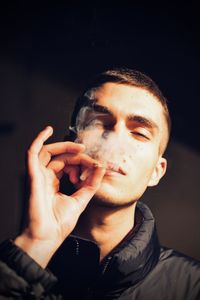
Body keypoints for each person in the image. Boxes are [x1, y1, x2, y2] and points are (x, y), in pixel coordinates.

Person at [0, 68, 199, 300]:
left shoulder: (192, 287)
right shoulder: (14, 262)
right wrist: (35, 244)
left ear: (157, 171)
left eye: (140, 133)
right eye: (98, 122)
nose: (116, 140)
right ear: (70, 143)